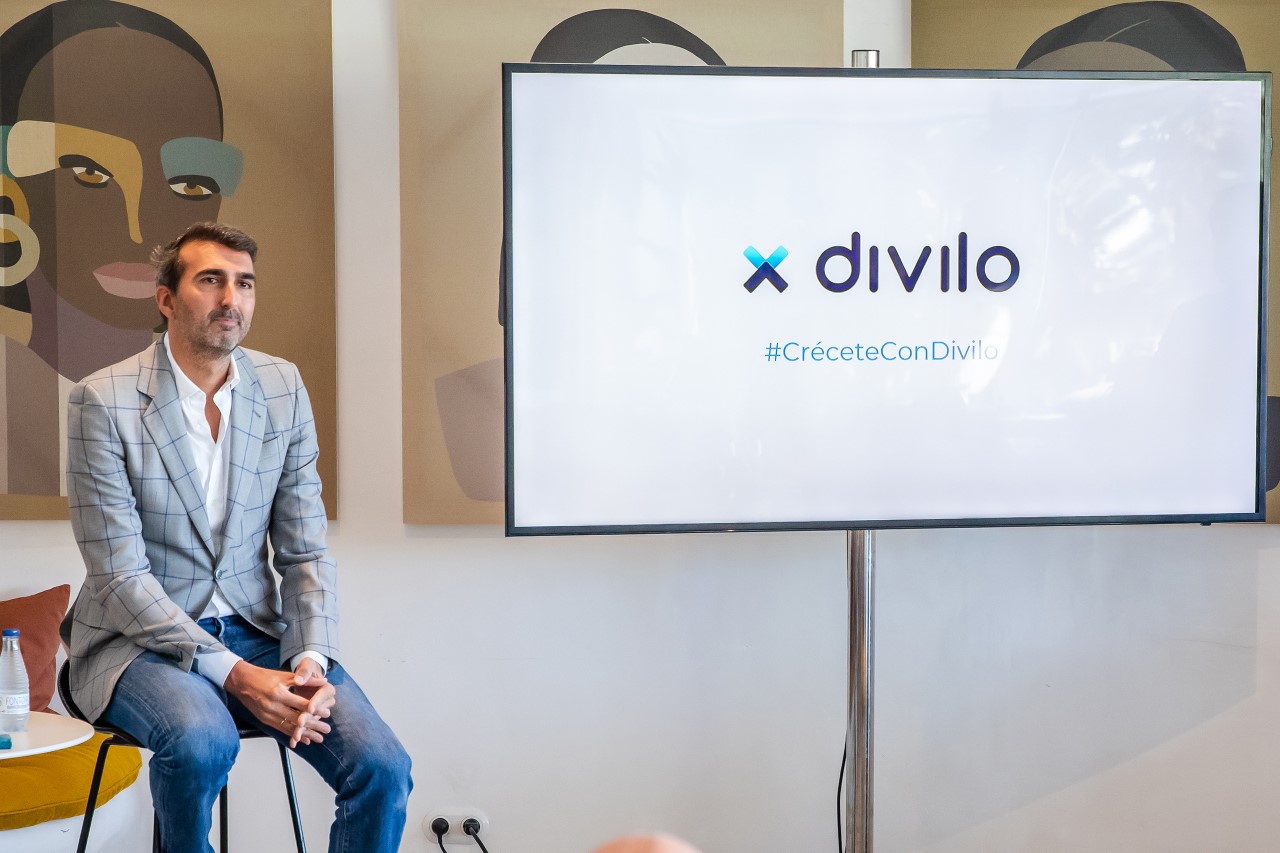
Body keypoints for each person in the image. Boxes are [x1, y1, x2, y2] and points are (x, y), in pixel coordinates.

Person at [60, 221, 411, 853]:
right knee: (203, 741)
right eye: (210, 280)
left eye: (244, 283)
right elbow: (118, 576)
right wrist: (238, 676)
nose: (231, 299)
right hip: (134, 644)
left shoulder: (282, 387)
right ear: (167, 299)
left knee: (382, 769)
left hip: (258, 629)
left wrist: (308, 660)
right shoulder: (102, 401)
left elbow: (305, 549)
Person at [0, 0, 243, 495]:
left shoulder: (244, 394)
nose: (141, 230)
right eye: (89, 172)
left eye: (189, 182)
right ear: (8, 189)